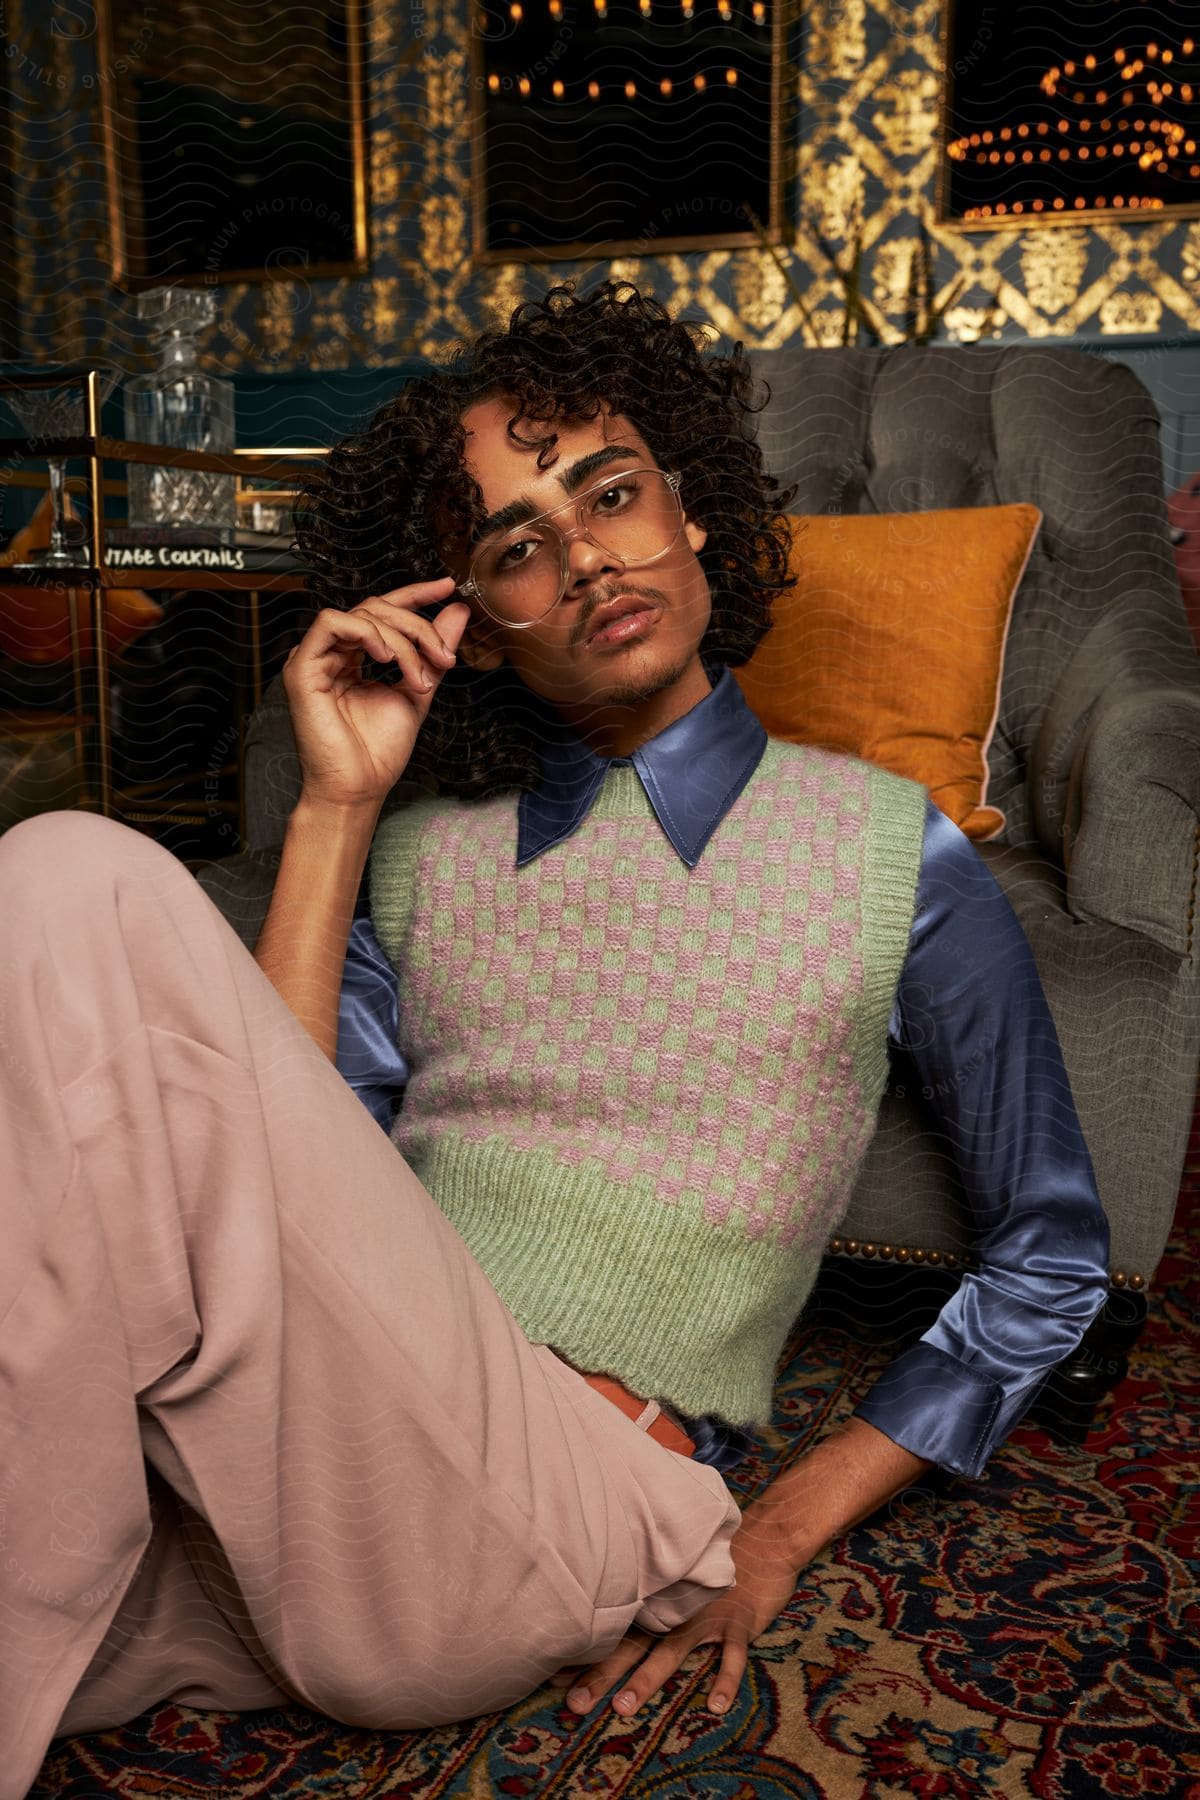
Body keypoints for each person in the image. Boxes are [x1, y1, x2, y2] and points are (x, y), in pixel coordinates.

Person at [1, 280, 1109, 1796]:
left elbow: (1046, 1259)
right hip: (309, 1475)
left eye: (610, 493)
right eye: (516, 545)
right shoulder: (417, 851)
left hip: (557, 1512)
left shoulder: (885, 852)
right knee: (61, 902)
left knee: (73, 867)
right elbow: (257, 1173)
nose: (585, 556)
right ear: (469, 621)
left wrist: (773, 1530)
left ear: (694, 511)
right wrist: (339, 804)